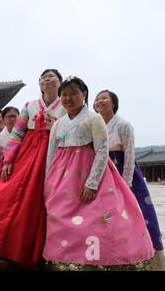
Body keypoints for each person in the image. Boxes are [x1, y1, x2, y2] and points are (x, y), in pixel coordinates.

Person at [43, 76, 155, 270]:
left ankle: (98, 261)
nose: (68, 98)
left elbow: (102, 151)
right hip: (61, 177)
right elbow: (51, 154)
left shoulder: (94, 119)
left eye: (74, 94)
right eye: (64, 95)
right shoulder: (58, 124)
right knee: (58, 215)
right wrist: (48, 180)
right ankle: (63, 258)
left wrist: (92, 183)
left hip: (87, 171)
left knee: (96, 216)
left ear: (84, 94)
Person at [0, 69, 65, 269]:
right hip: (30, 152)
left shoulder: (66, 103)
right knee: (11, 194)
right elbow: (18, 133)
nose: (47, 80)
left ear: (60, 82)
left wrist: (55, 125)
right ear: (39, 84)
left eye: (52, 77)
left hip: (58, 151)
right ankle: (12, 243)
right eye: (43, 78)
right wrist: (9, 160)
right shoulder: (29, 106)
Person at [94, 90, 165, 270]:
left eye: (104, 98)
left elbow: (130, 155)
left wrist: (126, 184)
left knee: (138, 214)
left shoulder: (123, 125)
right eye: (97, 99)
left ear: (114, 103)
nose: (99, 101)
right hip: (101, 174)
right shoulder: (94, 125)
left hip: (121, 172)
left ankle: (147, 257)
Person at [0, 106, 19, 179]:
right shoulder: (0, 137)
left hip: (21, 165)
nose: (12, 119)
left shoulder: (25, 134)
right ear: (4, 119)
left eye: (14, 116)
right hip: (5, 169)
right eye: (9, 116)